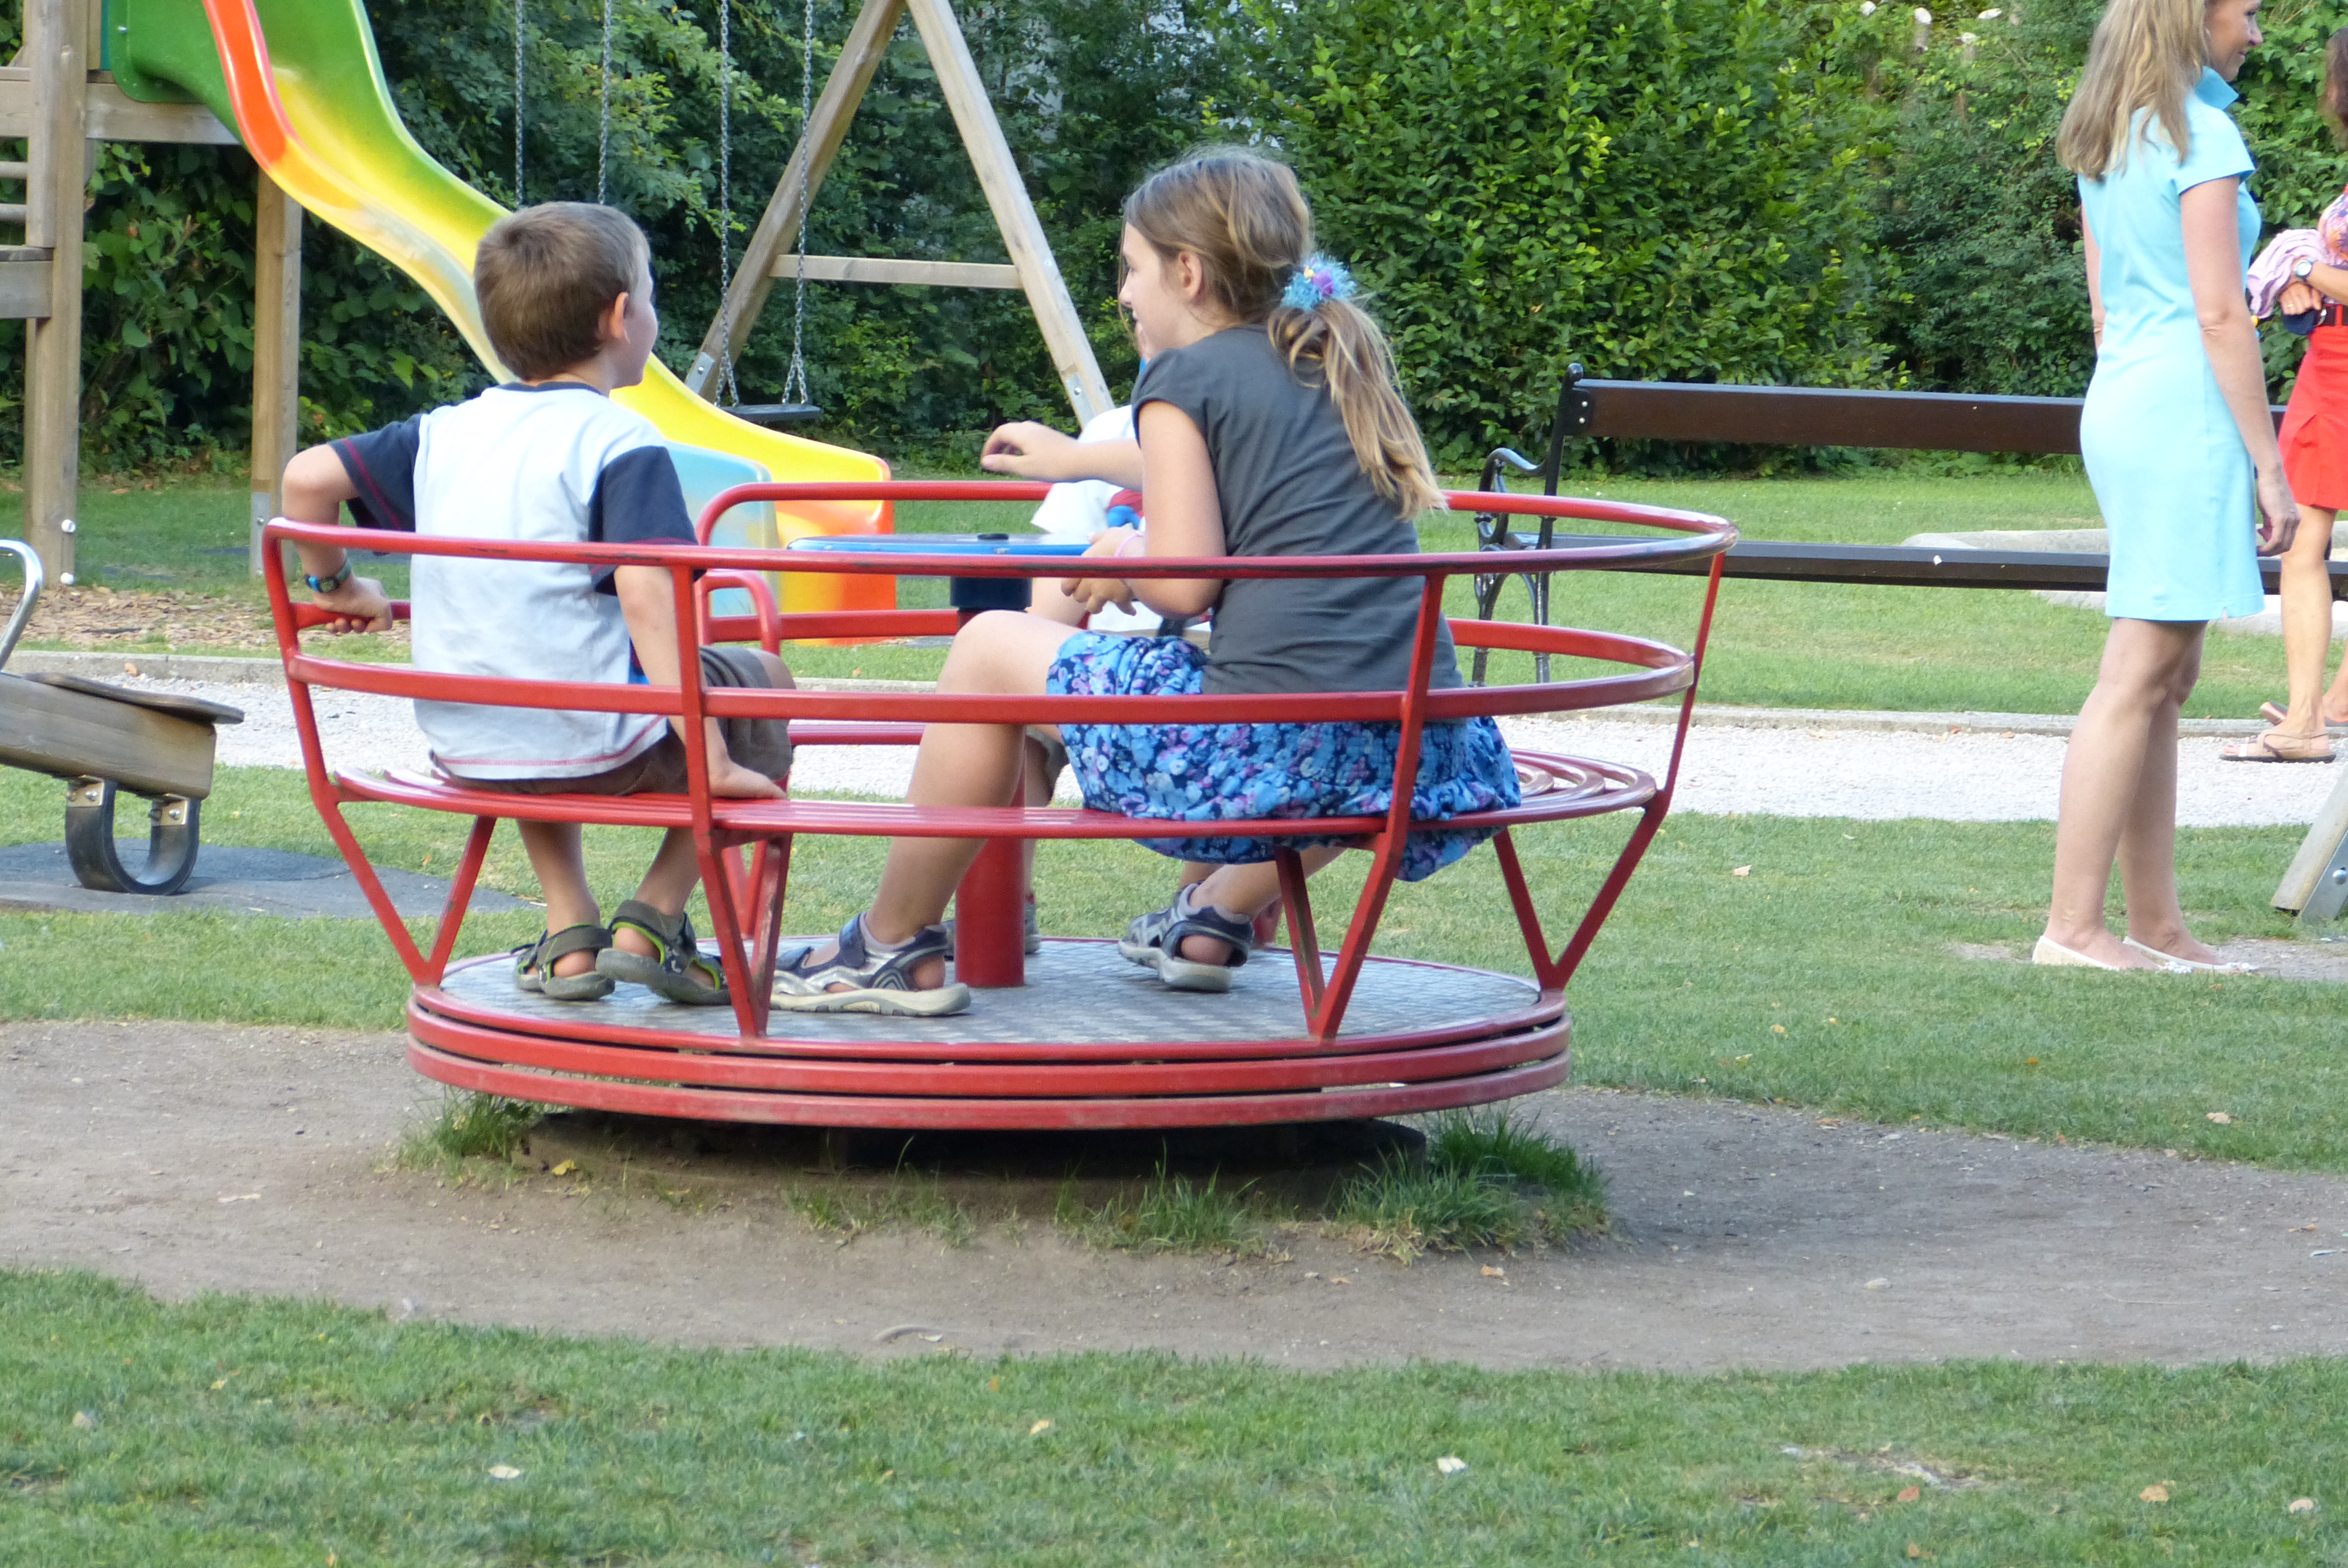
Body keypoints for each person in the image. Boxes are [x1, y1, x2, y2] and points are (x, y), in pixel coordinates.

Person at [770, 147, 1520, 1017]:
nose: (1124, 293)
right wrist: (1077, 458)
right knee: (1270, 695)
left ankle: (889, 945)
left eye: (1131, 269)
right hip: (1417, 751)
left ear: (1188, 273)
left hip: (1260, 755)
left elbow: (1184, 584)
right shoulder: (1329, 360)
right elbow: (1225, 464)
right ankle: (1211, 913)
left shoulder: (1183, 375)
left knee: (986, 648)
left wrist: (1126, 557)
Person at [278, 202, 795, 1005]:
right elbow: (649, 594)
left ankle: (569, 931)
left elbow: (306, 479)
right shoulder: (620, 443)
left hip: (473, 744)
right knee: (761, 678)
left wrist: (337, 584)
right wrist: (711, 752)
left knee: (532, 668)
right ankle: (655, 917)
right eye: (650, 297)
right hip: (605, 750)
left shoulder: (443, 434)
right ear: (620, 317)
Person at [2040, 0, 2298, 970]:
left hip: (2125, 400)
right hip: (2184, 410)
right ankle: (2073, 929)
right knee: (2137, 673)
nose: (2256, 35)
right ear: (2196, 18)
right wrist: (2268, 464)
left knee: (2165, 677)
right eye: (2248, 13)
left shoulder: (2108, 128)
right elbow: (2223, 315)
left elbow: (2106, 310)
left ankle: (2157, 925)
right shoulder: (2203, 136)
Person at [2231, 26, 2348, 763]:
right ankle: (2326, 705)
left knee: (2302, 544)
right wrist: (2306, 271)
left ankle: (2309, 718)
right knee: (2302, 541)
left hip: (2338, 368)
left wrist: (2300, 262)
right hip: (2328, 361)